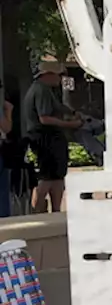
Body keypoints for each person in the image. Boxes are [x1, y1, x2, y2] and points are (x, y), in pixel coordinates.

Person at [23, 61, 80, 214]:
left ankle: (54, 211)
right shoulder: (41, 90)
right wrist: (70, 124)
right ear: (47, 75)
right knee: (48, 177)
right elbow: (44, 118)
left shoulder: (43, 89)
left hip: (45, 137)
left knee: (55, 175)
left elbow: (58, 107)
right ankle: (41, 211)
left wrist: (72, 112)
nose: (59, 78)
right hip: (46, 137)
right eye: (58, 75)